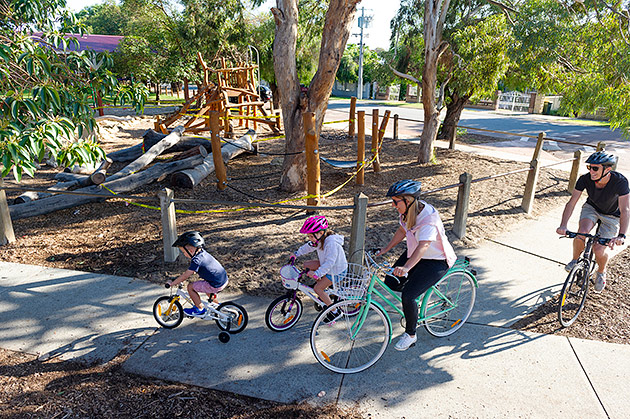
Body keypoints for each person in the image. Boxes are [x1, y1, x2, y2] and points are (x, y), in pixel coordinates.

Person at [376, 180, 457, 351]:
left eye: (395, 201)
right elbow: (401, 231)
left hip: (435, 260)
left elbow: (424, 246)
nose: (393, 205)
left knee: (408, 296)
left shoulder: (428, 219)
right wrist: (386, 249)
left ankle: (411, 334)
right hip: (415, 254)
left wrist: (406, 268)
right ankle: (414, 301)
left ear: (408, 200)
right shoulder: (408, 212)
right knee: (391, 281)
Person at [556, 151, 629, 292]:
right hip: (592, 208)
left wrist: (621, 235)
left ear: (607, 169)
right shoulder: (585, 179)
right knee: (581, 233)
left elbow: (625, 210)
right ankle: (575, 260)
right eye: (590, 167)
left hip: (612, 216)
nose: (591, 171)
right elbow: (571, 203)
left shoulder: (620, 182)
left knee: (598, 248)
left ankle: (601, 272)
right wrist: (563, 225)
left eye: (595, 168)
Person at [290, 215, 348, 324]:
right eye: (309, 236)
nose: (310, 239)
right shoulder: (319, 240)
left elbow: (330, 263)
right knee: (306, 264)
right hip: (328, 267)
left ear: (320, 233)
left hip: (336, 271)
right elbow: (308, 246)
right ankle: (323, 289)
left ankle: (335, 312)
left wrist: (317, 274)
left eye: (311, 236)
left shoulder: (331, 244)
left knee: (317, 289)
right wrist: (296, 254)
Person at [167, 231, 229, 317]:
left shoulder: (196, 260)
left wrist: (173, 283)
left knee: (190, 287)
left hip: (215, 284)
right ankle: (217, 307)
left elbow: (186, 275)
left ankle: (199, 309)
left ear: (191, 251)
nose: (184, 254)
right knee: (207, 289)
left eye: (183, 252)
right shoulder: (202, 253)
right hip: (223, 280)